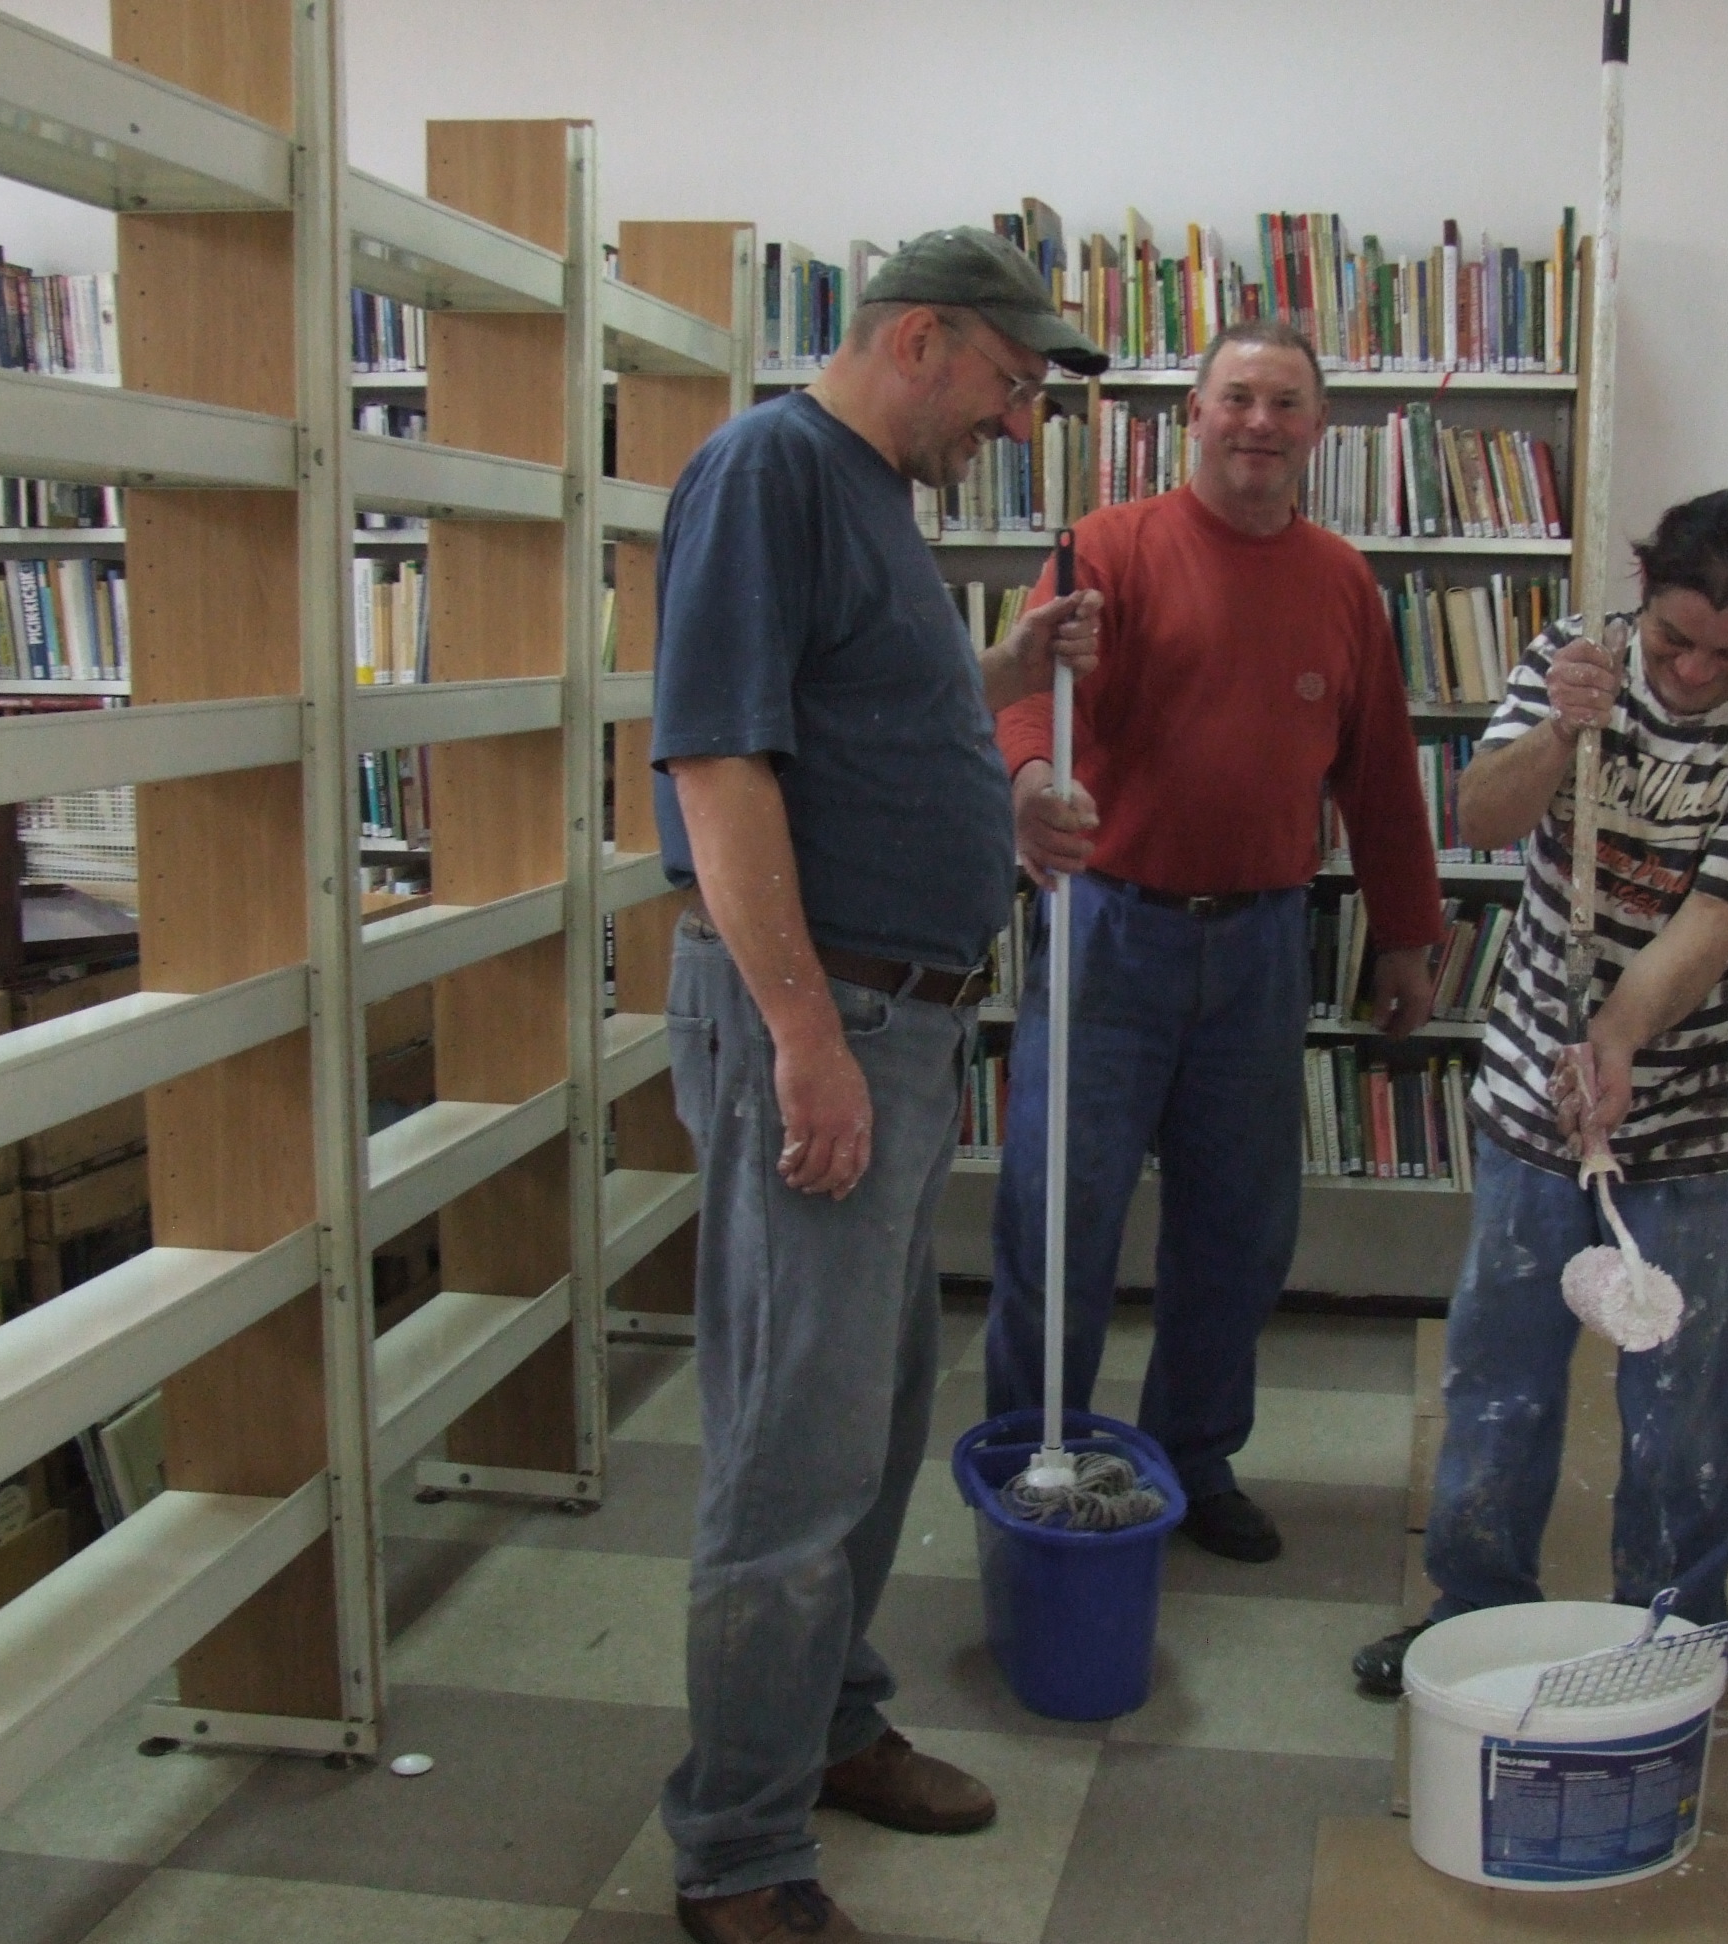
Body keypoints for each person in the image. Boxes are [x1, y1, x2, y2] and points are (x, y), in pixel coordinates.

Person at [649, 229, 1107, 1944]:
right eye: (1009, 381)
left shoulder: (868, 500)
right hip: (825, 1017)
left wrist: (999, 751)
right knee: (793, 1448)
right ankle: (737, 1849)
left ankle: (828, 1723)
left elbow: (849, 721)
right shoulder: (769, 471)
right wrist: (803, 1035)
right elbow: (719, 762)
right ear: (920, 339)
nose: (1017, 419)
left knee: (875, 1415)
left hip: (895, 1024)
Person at [1352, 489, 1728, 1697]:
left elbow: (1718, 921)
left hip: (1701, 1118)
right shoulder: (1569, 660)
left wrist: (1619, 1039)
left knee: (1683, 1409)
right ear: (1643, 594)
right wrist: (1559, 736)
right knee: (1499, 1377)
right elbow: (1481, 816)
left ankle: (1669, 1646)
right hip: (1534, 1097)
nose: (1694, 673)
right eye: (1675, 639)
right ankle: (1470, 1615)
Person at [982, 318, 1444, 1563]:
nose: (1259, 423)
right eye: (1237, 397)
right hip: (1110, 931)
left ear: (1319, 429)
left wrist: (1407, 935)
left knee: (1237, 1232)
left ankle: (1192, 1457)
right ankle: (1034, 1458)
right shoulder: (1107, 549)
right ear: (1192, 414)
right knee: (1057, 1221)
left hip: (1260, 947)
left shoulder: (1341, 583)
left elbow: (1382, 775)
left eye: (1285, 403)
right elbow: (1025, 696)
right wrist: (1030, 781)